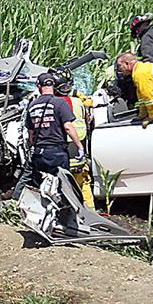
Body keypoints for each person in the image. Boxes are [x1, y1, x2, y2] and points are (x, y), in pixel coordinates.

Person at [25, 72, 85, 186]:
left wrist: (32, 146)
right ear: (53, 85)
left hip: (39, 153)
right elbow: (68, 127)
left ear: (38, 86)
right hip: (57, 152)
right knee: (62, 187)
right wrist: (80, 146)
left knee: (41, 186)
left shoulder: (32, 105)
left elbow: (30, 133)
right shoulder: (60, 102)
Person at [55, 70, 95, 209]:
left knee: (61, 186)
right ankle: (91, 213)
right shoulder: (79, 103)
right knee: (83, 183)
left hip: (62, 152)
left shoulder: (54, 104)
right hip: (78, 152)